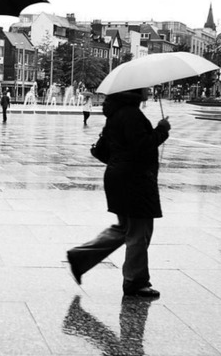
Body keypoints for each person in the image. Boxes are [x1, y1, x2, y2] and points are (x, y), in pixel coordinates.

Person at [67, 88, 170, 298]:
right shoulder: (131, 115)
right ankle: (136, 282)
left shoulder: (116, 113)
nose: (148, 91)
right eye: (145, 88)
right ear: (134, 91)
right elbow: (142, 146)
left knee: (126, 228)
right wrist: (161, 130)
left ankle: (80, 257)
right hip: (135, 180)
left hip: (119, 177)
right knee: (139, 232)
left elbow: (105, 149)